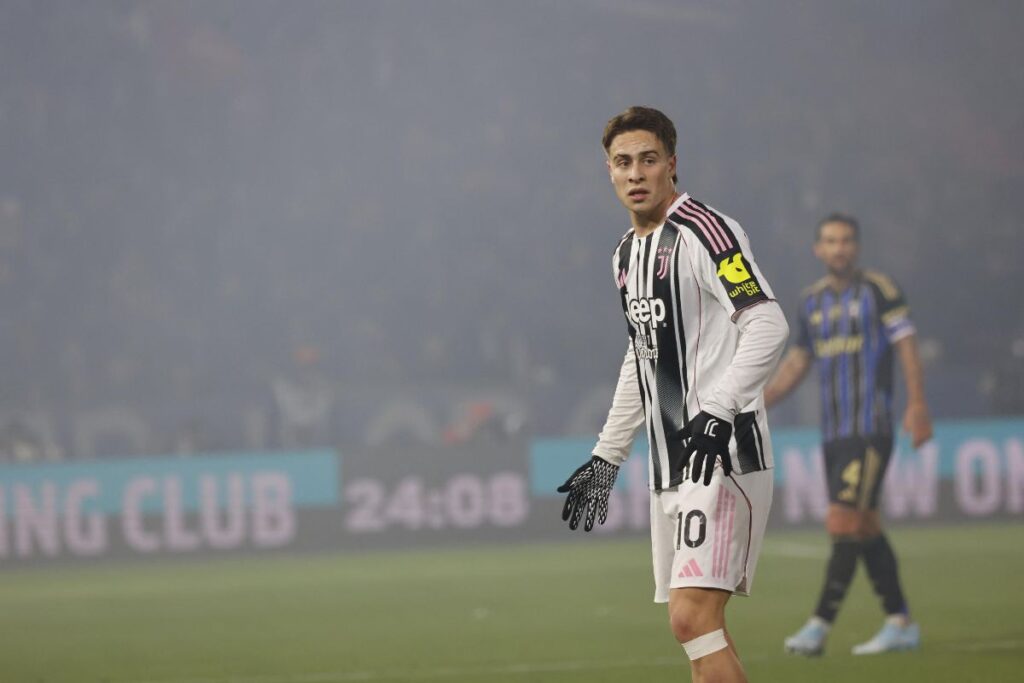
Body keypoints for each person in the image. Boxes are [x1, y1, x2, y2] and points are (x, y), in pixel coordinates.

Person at [557, 106, 788, 683]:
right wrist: (607, 455)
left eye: (648, 160)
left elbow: (767, 323)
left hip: (723, 453)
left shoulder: (706, 231)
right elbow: (643, 356)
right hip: (674, 465)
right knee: (698, 631)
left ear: (672, 165)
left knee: (691, 617)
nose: (636, 173)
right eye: (622, 162)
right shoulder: (624, 256)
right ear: (608, 172)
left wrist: (718, 408)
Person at [764, 213, 933, 656]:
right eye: (830, 241)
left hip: (869, 428)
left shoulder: (879, 290)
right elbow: (798, 361)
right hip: (833, 433)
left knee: (842, 520)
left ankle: (818, 627)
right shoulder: (811, 302)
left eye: (846, 241)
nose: (839, 248)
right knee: (866, 525)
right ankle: (901, 622)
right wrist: (756, 403)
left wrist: (917, 404)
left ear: (856, 247)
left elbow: (906, 345)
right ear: (818, 250)